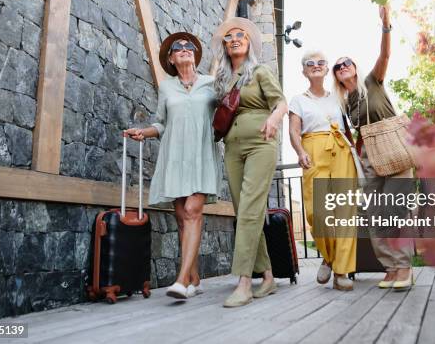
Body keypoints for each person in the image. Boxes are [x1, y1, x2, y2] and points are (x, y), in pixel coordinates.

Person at [125, 32, 220, 299]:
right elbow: (161, 122)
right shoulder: (167, 87)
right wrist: (144, 132)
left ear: (195, 55)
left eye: (189, 46)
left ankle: (180, 281)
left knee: (192, 211)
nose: (184, 49)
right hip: (175, 156)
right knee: (181, 219)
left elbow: (226, 110)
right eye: (178, 48)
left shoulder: (211, 83)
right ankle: (195, 279)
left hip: (202, 155)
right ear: (171, 59)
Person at [332, 5, 415, 289]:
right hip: (368, 156)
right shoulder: (343, 103)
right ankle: (390, 267)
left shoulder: (372, 81)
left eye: (347, 62)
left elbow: (385, 54)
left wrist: (386, 23)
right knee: (374, 213)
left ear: (355, 67)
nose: (343, 67)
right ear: (337, 75)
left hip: (393, 147)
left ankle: (404, 267)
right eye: (338, 66)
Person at [211, 17, 288, 307]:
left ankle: (244, 282)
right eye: (229, 37)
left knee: (251, 209)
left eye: (240, 35)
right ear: (224, 46)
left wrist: (272, 120)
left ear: (248, 42)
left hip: (261, 143)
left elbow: (281, 103)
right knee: (244, 210)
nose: (234, 39)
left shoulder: (259, 71)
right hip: (232, 147)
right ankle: (267, 276)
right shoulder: (221, 78)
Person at [288, 51, 360, 291]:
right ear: (304, 71)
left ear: (327, 68)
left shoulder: (339, 97)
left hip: (340, 150)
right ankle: (328, 257)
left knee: (344, 212)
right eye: (310, 63)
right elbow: (293, 131)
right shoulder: (298, 99)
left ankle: (341, 271)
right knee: (317, 213)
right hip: (312, 149)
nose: (316, 66)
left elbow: (357, 118)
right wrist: (300, 151)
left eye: (321, 62)